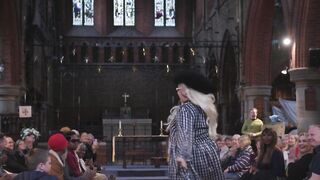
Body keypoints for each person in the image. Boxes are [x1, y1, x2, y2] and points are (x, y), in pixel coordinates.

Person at [167, 70, 224, 179]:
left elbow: (185, 134)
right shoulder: (203, 108)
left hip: (192, 155)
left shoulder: (186, 109)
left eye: (178, 89)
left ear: (185, 91)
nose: (177, 92)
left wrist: (182, 156)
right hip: (208, 152)